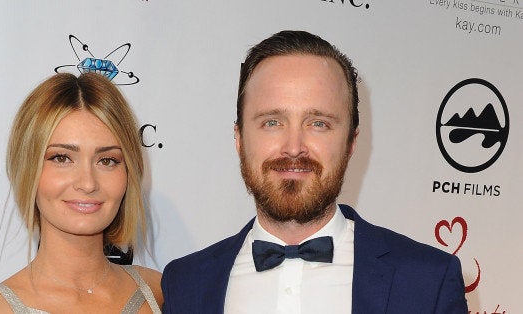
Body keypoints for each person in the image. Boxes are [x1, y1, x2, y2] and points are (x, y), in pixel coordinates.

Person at [160, 30, 467, 313]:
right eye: (272, 122)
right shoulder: (185, 283)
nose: (294, 148)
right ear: (240, 139)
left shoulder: (428, 281)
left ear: (350, 142)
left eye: (318, 124)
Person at [0, 72, 162, 313]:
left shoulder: (159, 291)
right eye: (61, 158)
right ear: (27, 168)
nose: (87, 183)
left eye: (107, 160)